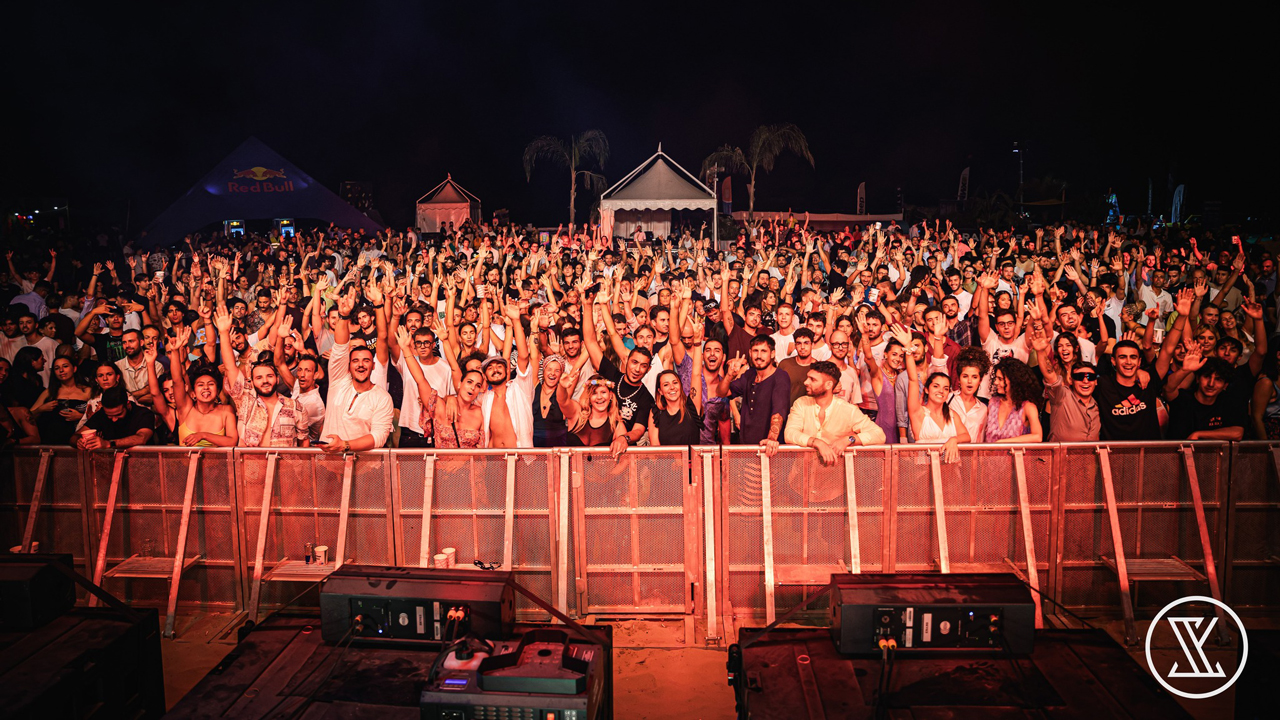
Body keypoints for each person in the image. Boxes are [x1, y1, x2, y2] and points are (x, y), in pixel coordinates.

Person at [215, 306, 310, 447]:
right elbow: (230, 367)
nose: (265, 381)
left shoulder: (295, 407)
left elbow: (304, 442)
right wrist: (223, 333)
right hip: (250, 467)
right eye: (259, 378)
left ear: (277, 378)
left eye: (269, 376)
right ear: (251, 382)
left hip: (284, 468)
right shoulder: (245, 399)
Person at [318, 284, 394, 452]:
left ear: (373, 365)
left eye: (366, 360)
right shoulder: (339, 381)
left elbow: (378, 437)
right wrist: (344, 316)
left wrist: (344, 445)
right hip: (329, 464)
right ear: (349, 363)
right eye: (355, 360)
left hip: (364, 468)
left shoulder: (382, 397)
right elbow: (340, 346)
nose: (360, 364)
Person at [784, 360, 885, 466]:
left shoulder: (848, 410)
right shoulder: (801, 404)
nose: (806, 382)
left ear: (828, 385)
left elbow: (879, 434)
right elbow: (790, 434)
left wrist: (848, 439)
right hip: (801, 476)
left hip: (834, 477)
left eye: (812, 379)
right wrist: (817, 443)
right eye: (808, 377)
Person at [719, 335, 791, 456]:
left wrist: (771, 439)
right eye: (755, 351)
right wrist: (729, 375)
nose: (759, 356)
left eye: (763, 351)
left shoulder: (780, 377)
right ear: (750, 353)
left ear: (772, 354)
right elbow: (722, 392)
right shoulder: (749, 375)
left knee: (768, 475)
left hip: (768, 448)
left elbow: (778, 411)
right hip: (747, 446)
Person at [166, 326, 237, 448]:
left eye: (211, 384)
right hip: (186, 466)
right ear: (193, 392)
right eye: (200, 385)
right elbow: (177, 380)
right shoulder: (185, 408)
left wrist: (203, 435)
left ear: (218, 390)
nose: (205, 388)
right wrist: (175, 351)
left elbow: (232, 441)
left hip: (217, 467)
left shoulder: (226, 411)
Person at [1029, 321, 1100, 442]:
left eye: (1067, 345)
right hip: (1054, 414)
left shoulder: (1083, 369)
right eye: (1060, 346)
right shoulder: (1054, 367)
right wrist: (1040, 351)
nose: (1064, 349)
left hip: (1078, 415)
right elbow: (1049, 374)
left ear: (1075, 348)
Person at [903, 346, 970, 463]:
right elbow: (913, 379)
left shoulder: (952, 414)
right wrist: (908, 351)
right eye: (936, 386)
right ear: (927, 390)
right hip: (924, 473)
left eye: (945, 388)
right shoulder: (919, 413)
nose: (941, 391)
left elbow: (967, 436)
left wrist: (954, 439)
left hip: (951, 472)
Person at [1164, 352, 1245, 440]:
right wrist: (1185, 370)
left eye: (1218, 379)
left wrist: (1198, 434)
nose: (1211, 384)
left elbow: (1237, 433)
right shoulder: (1183, 398)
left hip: (1212, 453)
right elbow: (1168, 389)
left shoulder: (1228, 402)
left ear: (1225, 385)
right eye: (1207, 377)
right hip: (1176, 452)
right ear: (1198, 379)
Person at [30, 356, 91, 445]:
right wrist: (41, 409)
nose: (61, 370)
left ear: (74, 369)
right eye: (57, 368)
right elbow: (27, 417)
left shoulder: (87, 391)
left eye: (65, 366)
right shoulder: (49, 392)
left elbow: (99, 416)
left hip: (78, 440)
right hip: (51, 439)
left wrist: (81, 416)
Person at [74, 387, 156, 450]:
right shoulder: (101, 414)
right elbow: (75, 436)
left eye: (118, 414)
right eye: (109, 415)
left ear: (128, 404)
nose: (114, 419)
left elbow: (142, 438)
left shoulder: (143, 414)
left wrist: (109, 443)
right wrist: (79, 442)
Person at [984, 357, 1044, 443]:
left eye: (1000, 379)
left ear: (1013, 380)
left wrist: (1002, 443)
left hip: (1015, 455)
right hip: (989, 456)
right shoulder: (992, 402)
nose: (995, 382)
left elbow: (1037, 436)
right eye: (996, 378)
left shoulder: (1028, 407)